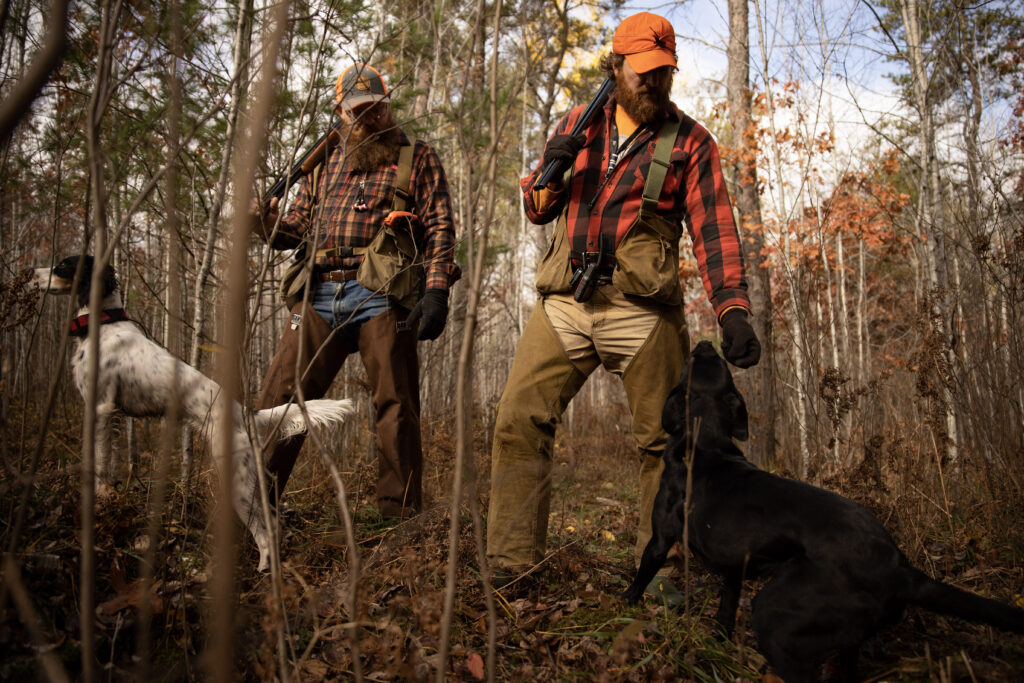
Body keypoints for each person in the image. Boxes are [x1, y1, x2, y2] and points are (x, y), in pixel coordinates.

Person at [486, 12, 761, 594]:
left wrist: (732, 310)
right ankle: (512, 568)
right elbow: (536, 209)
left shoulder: (691, 142)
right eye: (642, 72)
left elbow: (716, 232)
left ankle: (660, 580)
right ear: (616, 67)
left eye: (663, 73)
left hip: (643, 313)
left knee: (666, 445)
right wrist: (551, 174)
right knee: (517, 418)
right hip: (564, 302)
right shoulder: (574, 123)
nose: (653, 83)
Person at [251, 63, 458, 519]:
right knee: (280, 402)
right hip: (319, 291)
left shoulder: (416, 156)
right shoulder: (323, 163)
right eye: (357, 111)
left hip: (382, 293)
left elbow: (440, 228)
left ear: (388, 105)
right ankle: (252, 510)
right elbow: (296, 229)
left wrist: (437, 291)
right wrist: (264, 223)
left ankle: (398, 521)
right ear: (340, 113)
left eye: (376, 108)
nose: (368, 118)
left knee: (395, 407)